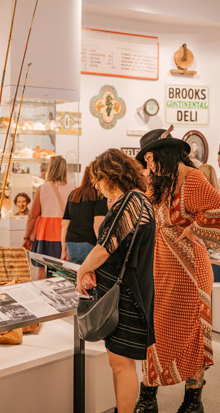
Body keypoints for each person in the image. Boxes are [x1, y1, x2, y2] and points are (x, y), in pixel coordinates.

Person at [135, 128, 220, 413]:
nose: (149, 166)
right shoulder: (160, 183)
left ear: (164, 154)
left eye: (151, 159)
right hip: (160, 268)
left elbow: (218, 211)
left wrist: (192, 230)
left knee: (193, 334)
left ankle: (192, 400)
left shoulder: (193, 178)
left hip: (189, 272)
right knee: (154, 331)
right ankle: (147, 395)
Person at [74, 149, 156, 413]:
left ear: (111, 175)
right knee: (118, 361)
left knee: (121, 363)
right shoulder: (135, 200)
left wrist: (82, 269)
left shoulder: (131, 201)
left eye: (97, 180)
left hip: (127, 295)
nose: (96, 187)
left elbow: (106, 246)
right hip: (127, 291)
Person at [23, 156, 74, 279]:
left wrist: (26, 237)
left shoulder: (42, 188)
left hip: (45, 233)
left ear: (50, 168)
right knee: (64, 271)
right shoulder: (73, 188)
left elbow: (32, 216)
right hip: (65, 233)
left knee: (42, 269)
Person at [61, 165, 107, 264]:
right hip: (89, 243)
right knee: (90, 277)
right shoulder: (99, 195)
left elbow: (65, 225)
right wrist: (103, 248)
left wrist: (63, 250)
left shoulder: (74, 194)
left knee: (76, 277)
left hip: (71, 243)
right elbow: (97, 225)